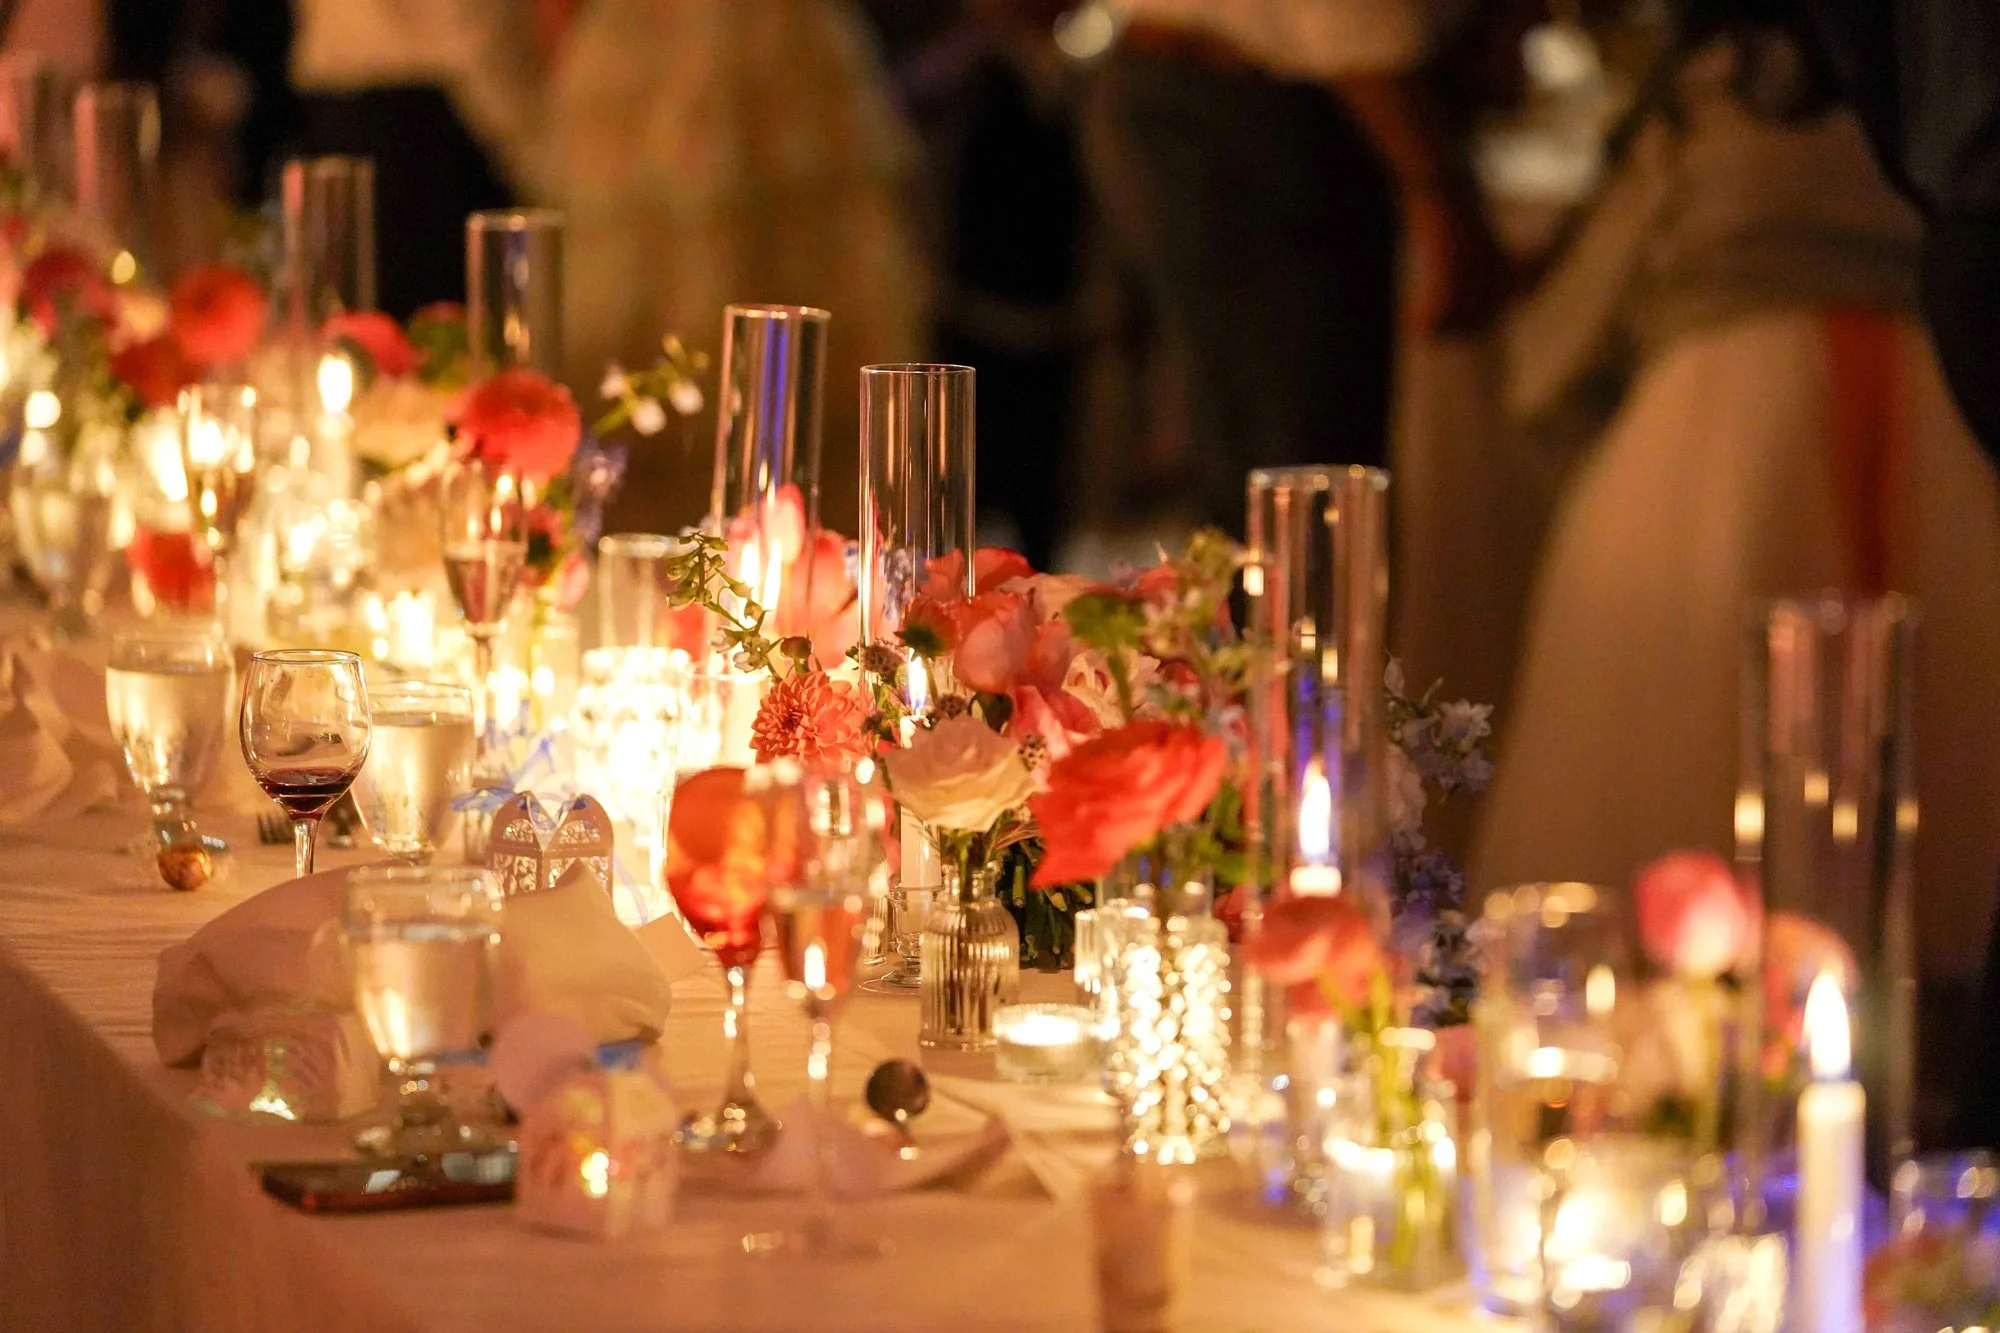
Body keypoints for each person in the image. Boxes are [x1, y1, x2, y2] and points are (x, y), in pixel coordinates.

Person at [1469, 16, 2000, 1141]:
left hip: (1738, 382)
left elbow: (1602, 283)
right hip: (1928, 391)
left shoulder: (1713, 83)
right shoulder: (1900, 79)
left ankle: (1699, 1051)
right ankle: (1890, 1051)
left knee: (1687, 712)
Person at [1081, 0, 1511, 536]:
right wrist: (1437, 193)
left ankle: (1270, 611)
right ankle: (1293, 616)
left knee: (1267, 459)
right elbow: (1347, 23)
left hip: (1202, 91)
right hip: (1249, 102)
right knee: (1305, 478)